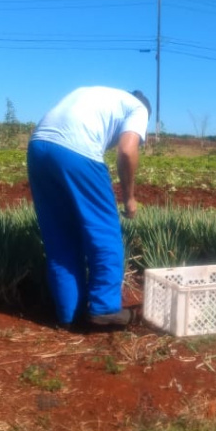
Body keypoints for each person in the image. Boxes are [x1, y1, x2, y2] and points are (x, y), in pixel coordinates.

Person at [27, 86, 151, 329]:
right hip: (77, 150)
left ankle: (69, 315)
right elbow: (127, 150)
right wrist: (129, 198)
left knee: (59, 237)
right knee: (104, 232)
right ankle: (104, 309)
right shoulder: (139, 108)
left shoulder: (100, 95)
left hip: (38, 148)